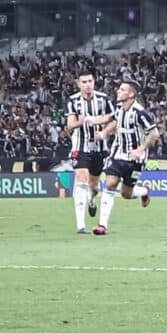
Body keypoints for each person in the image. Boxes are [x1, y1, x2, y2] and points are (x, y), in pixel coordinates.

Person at [93, 79, 159, 236]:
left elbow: (154, 133)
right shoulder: (119, 109)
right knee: (109, 184)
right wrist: (101, 130)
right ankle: (102, 225)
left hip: (135, 159)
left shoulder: (140, 113)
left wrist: (140, 149)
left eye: (122, 90)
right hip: (117, 155)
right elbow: (113, 120)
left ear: (131, 94)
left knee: (126, 194)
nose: (118, 91)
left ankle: (143, 191)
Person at [63, 71, 114, 234]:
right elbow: (69, 125)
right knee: (81, 178)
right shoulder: (73, 101)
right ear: (79, 84)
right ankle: (80, 225)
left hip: (99, 147)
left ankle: (91, 200)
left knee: (93, 185)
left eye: (90, 81)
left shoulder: (104, 99)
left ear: (94, 82)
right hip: (80, 146)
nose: (87, 85)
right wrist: (81, 120)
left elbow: (115, 119)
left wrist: (104, 132)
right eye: (84, 82)